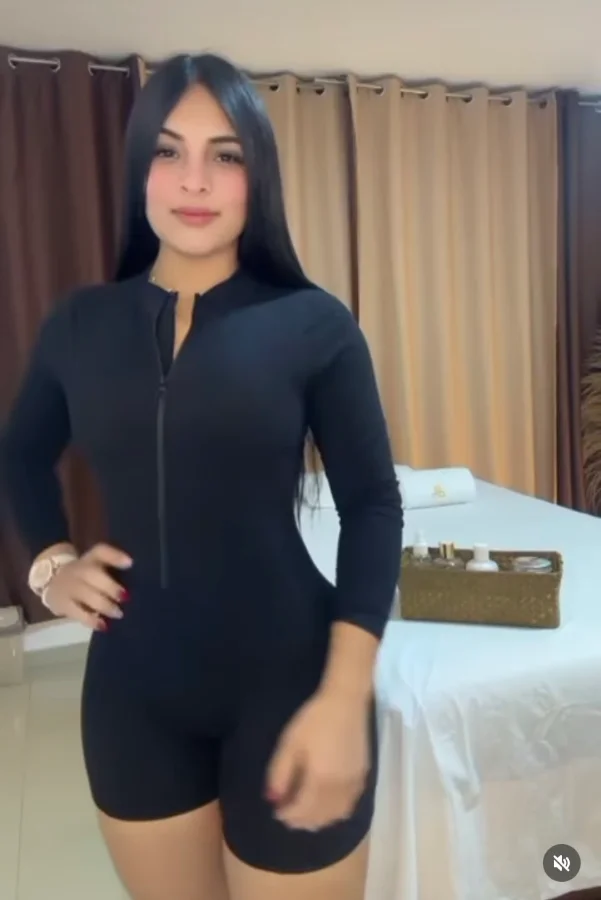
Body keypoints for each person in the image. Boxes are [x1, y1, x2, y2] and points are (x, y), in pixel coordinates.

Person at [0, 53, 403, 900]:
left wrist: (343, 697)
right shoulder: (81, 325)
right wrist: (49, 564)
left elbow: (371, 505)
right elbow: (19, 454)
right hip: (133, 694)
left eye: (225, 155)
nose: (194, 180)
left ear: (258, 177)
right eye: (167, 150)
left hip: (290, 682)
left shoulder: (314, 325)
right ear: (138, 168)